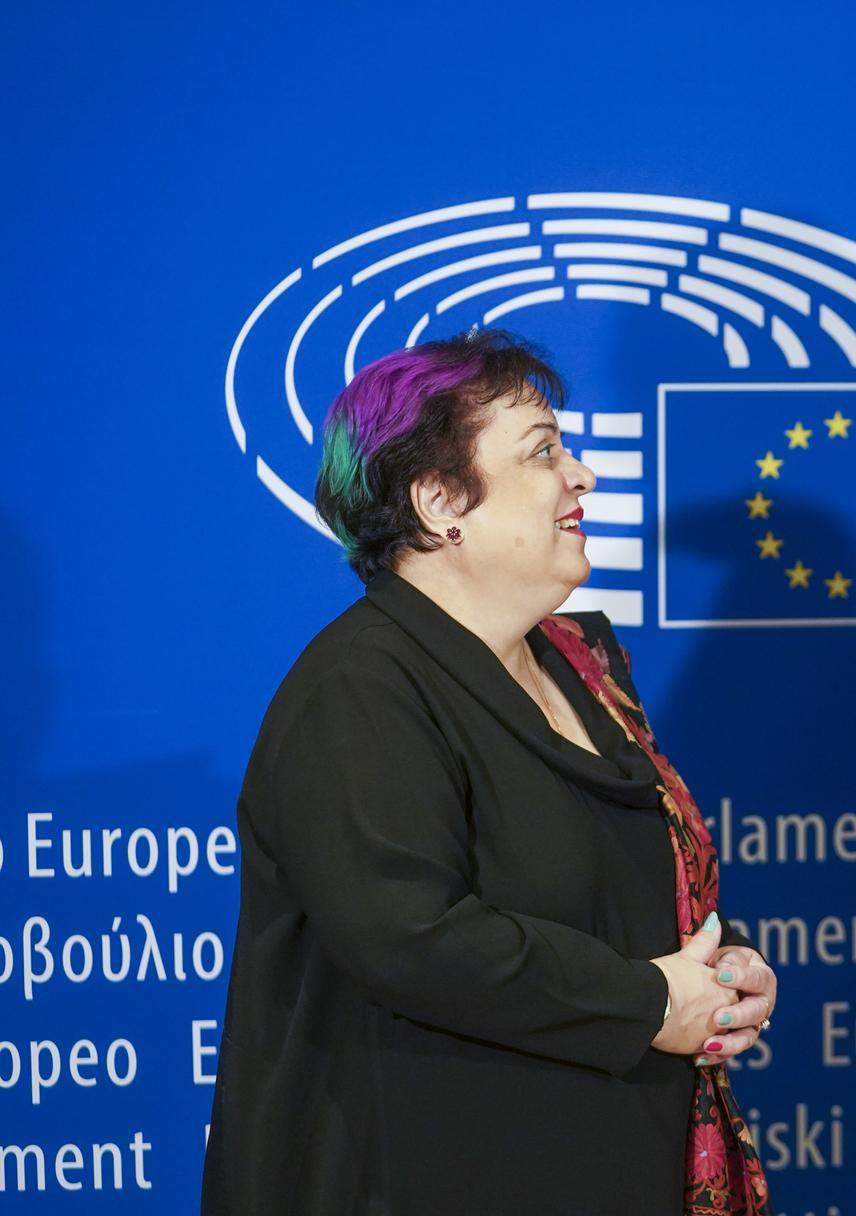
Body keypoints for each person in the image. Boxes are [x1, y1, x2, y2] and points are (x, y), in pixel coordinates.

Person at [204, 331, 774, 1215]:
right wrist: (647, 999)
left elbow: (630, 886)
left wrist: (722, 970)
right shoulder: (360, 688)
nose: (580, 475)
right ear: (439, 502)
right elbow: (411, 939)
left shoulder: (585, 661)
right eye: (544, 451)